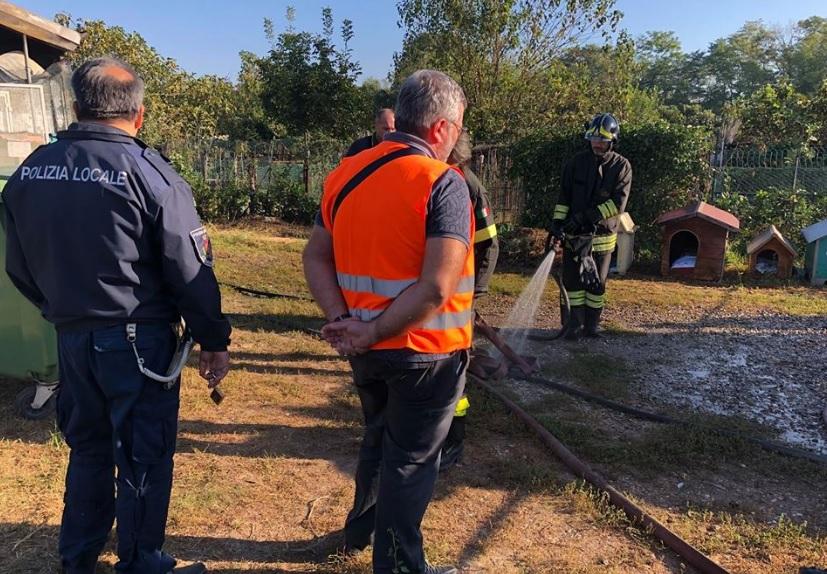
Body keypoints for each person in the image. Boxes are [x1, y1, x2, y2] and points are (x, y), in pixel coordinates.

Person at [2, 57, 231, 574]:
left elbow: (18, 264)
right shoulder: (151, 175)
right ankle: (141, 561)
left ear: (77, 106)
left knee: (87, 448)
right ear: (139, 115)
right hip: (136, 342)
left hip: (72, 338)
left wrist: (59, 309)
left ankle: (78, 557)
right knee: (143, 455)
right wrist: (214, 338)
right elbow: (188, 269)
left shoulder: (32, 169)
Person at [303, 69, 472, 574]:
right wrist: (372, 329)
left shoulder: (344, 174)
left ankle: (360, 532)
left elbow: (315, 258)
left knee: (378, 438)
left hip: (365, 350)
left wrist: (343, 320)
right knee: (412, 462)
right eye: (458, 128)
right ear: (441, 128)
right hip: (427, 353)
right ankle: (398, 566)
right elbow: (437, 286)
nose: (457, 139)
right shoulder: (444, 183)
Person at [440, 130, 499, 470]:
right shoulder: (437, 178)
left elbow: (489, 245)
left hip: (461, 294)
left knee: (454, 367)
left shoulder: (469, 185)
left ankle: (454, 440)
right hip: (440, 291)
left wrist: (476, 290)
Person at [549, 112, 632, 339]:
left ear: (612, 141)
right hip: (575, 237)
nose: (596, 143)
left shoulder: (621, 167)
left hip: (602, 237)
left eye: (602, 140)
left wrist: (587, 216)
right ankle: (572, 325)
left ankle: (592, 325)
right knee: (572, 282)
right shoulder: (575, 164)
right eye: (594, 139)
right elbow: (564, 197)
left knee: (596, 284)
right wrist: (557, 223)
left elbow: (617, 204)